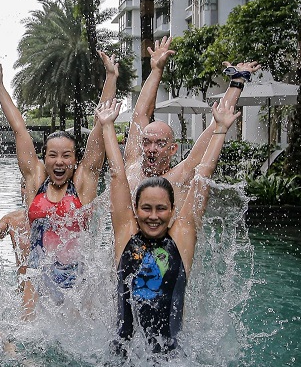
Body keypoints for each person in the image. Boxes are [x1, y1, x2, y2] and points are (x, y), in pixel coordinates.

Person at [96, 98, 240, 353]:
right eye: (146, 208)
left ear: (172, 211)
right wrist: (107, 126)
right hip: (122, 356)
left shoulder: (181, 240)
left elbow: (203, 175)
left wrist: (220, 130)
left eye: (161, 208)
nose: (153, 216)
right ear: (135, 210)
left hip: (170, 360)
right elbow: (118, 175)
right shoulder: (126, 235)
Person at [0, 63, 110, 307]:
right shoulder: (36, 183)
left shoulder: (82, 187)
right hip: (37, 275)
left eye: (66, 155)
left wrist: (111, 77)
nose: (59, 161)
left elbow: (100, 128)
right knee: (30, 329)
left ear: (75, 161)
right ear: (44, 159)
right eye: (52, 155)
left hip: (78, 278)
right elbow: (19, 129)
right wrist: (0, 89)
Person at [126, 38, 260, 210]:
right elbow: (140, 115)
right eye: (146, 142)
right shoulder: (132, 169)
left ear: (173, 149)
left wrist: (237, 81)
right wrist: (156, 70)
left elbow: (215, 126)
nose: (152, 149)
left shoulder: (180, 177)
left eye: (160, 143)